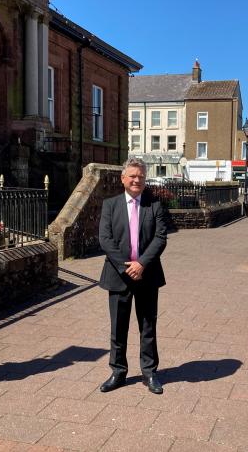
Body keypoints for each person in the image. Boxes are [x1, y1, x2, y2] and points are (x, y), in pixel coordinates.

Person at [98, 158, 168, 395]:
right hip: (119, 276)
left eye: (141, 176)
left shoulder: (154, 204)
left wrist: (141, 264)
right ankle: (118, 371)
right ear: (123, 178)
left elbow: (160, 238)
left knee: (148, 326)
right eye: (132, 176)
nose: (137, 180)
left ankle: (149, 372)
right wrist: (126, 266)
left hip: (147, 275)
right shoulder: (110, 205)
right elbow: (105, 239)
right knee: (118, 327)